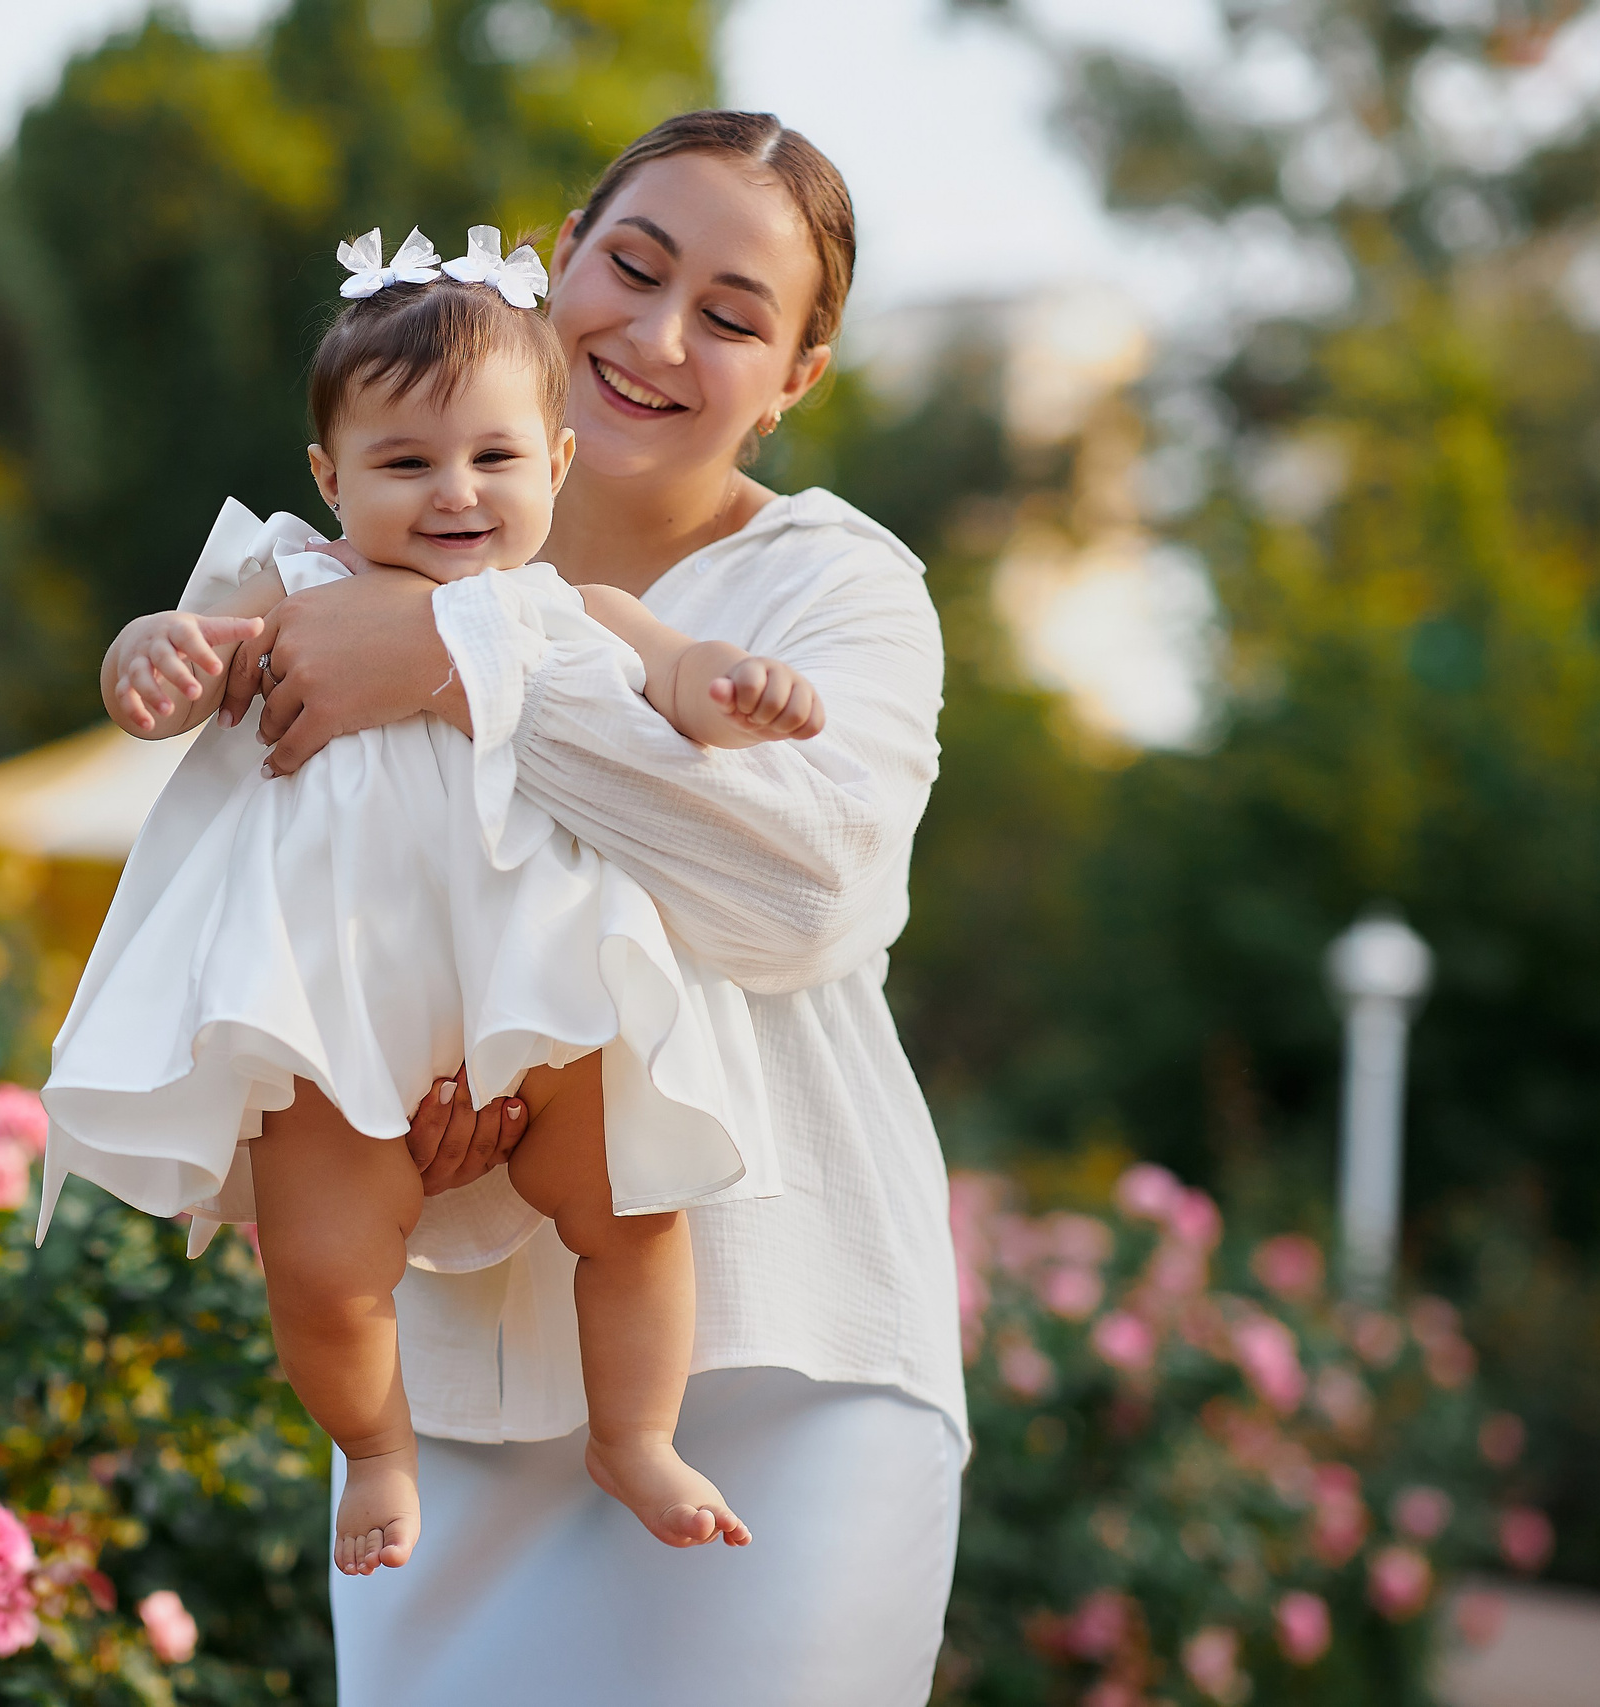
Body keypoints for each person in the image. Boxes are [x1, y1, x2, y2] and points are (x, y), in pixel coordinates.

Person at [220, 112, 967, 1706]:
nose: (657, 335)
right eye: (631, 268)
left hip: (785, 1355)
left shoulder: (835, 590)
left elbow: (807, 892)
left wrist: (459, 664)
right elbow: (262, 910)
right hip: (455, 1386)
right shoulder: (335, 564)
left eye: (734, 314)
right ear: (559, 257)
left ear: (798, 380)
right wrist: (375, 1108)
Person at [43, 222, 836, 1576]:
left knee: (634, 1209)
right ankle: (375, 1449)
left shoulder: (571, 609)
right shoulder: (293, 587)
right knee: (321, 1261)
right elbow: (156, 661)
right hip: (337, 998)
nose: (456, 493)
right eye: (405, 463)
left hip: (545, 988)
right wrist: (150, 660)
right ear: (328, 477)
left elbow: (682, 678)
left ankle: (634, 1430)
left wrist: (738, 689)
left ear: (558, 462)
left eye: (494, 457)